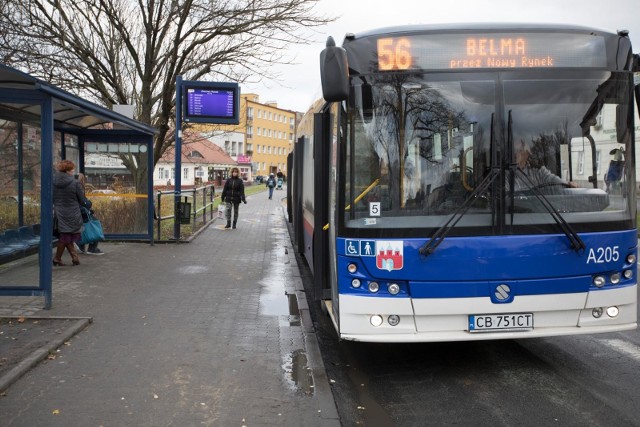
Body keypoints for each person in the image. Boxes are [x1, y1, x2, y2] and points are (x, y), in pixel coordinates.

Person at [52, 160, 86, 266]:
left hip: (59, 213)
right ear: (67, 171)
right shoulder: (75, 183)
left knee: (66, 234)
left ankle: (74, 258)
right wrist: (88, 203)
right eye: (72, 169)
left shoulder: (53, 181)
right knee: (66, 235)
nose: (73, 171)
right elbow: (82, 199)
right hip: (72, 213)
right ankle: (57, 258)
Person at [76, 173, 104, 255]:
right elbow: (83, 201)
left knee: (82, 228)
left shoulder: (70, 186)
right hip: (82, 211)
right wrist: (89, 205)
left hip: (75, 212)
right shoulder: (78, 186)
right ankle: (92, 248)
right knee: (95, 225)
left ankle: (81, 246)